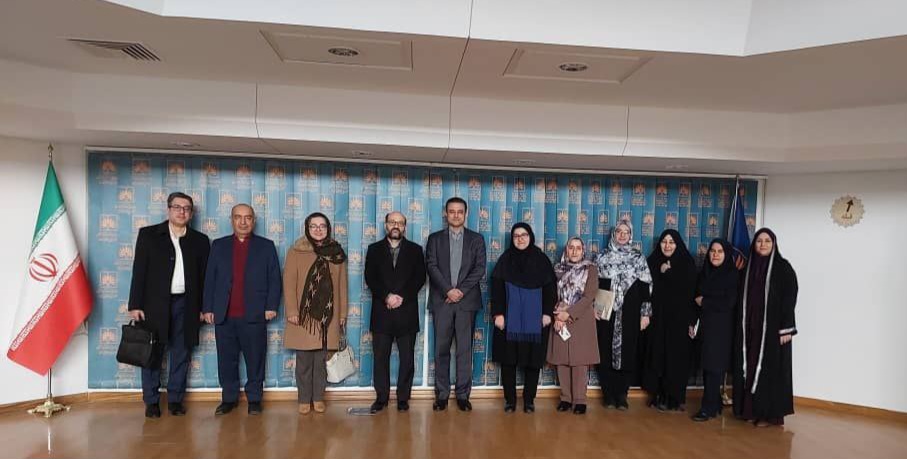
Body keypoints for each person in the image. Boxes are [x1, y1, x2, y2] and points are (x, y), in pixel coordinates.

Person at [129, 192, 210, 418]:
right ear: (168, 209)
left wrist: (204, 307)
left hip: (187, 304)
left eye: (186, 208)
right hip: (154, 305)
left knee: (181, 353)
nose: (182, 211)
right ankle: (151, 401)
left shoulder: (200, 240)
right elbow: (139, 271)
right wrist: (135, 304)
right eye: (177, 207)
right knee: (152, 353)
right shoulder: (148, 235)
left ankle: (175, 400)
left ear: (191, 213)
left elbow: (205, 278)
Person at [202, 204, 281, 416]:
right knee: (226, 360)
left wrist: (271, 306)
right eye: (238, 217)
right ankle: (229, 399)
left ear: (253, 221)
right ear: (232, 220)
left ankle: (254, 399)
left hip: (254, 314)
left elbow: (275, 279)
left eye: (248, 217)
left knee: (255, 360)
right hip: (224, 315)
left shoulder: (266, 246)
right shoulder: (219, 245)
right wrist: (208, 308)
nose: (243, 222)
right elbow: (210, 279)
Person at [425, 197, 487, 412]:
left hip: (466, 303)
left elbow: (480, 268)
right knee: (441, 350)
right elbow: (431, 266)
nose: (456, 215)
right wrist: (448, 290)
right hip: (442, 302)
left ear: (466, 214)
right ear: (446, 214)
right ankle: (442, 395)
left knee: (464, 350)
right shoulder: (434, 239)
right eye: (452, 211)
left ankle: (462, 395)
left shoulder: (476, 239)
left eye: (460, 211)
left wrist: (460, 291)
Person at [283, 212, 348, 415]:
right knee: (304, 361)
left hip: (328, 315)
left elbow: (342, 285)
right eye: (314, 226)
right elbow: (289, 282)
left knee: (321, 361)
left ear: (328, 229)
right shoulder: (296, 251)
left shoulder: (336, 252)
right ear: (307, 228)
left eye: (322, 226)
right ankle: (304, 398)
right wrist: (292, 311)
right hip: (304, 316)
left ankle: (318, 397)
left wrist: (342, 314)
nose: (318, 230)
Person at [733, 228, 799, 427]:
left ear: (774, 244)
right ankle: (749, 410)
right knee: (750, 367)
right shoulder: (748, 267)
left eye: (767, 241)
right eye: (759, 241)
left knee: (769, 371)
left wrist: (786, 328)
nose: (763, 244)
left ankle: (768, 415)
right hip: (750, 328)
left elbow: (789, 298)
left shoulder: (783, 268)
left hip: (772, 331)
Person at [490, 223, 556, 413]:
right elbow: (497, 289)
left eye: (524, 235)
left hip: (535, 320)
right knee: (508, 361)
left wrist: (547, 313)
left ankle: (529, 401)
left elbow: (550, 289)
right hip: (508, 320)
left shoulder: (542, 260)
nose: (520, 239)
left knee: (533, 362)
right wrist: (498, 314)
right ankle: (510, 401)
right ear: (512, 239)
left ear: (530, 236)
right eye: (516, 236)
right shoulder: (505, 260)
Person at [364, 211, 426, 413]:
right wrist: (387, 296)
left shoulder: (415, 250)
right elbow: (370, 277)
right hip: (382, 312)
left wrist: (401, 297)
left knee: (407, 358)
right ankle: (381, 397)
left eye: (400, 222)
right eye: (392, 222)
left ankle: (403, 398)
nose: (396, 225)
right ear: (386, 225)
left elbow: (419, 278)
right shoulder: (374, 249)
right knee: (380, 357)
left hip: (406, 311)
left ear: (405, 227)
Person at [594, 220, 653, 410]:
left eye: (626, 232)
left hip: (630, 313)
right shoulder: (601, 257)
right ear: (613, 234)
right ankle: (608, 394)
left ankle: (621, 394)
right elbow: (592, 285)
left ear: (630, 235)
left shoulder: (638, 258)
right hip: (606, 312)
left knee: (628, 351)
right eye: (619, 231)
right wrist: (594, 308)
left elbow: (646, 289)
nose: (622, 235)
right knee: (605, 350)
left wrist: (645, 314)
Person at [641, 229, 697, 412]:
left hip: (679, 321)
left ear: (678, 244)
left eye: (671, 242)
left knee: (676, 358)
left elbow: (689, 293)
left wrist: (668, 273)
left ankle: (674, 397)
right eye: (664, 242)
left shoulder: (687, 264)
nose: (667, 245)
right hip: (657, 320)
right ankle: (658, 395)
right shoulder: (652, 262)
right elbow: (646, 290)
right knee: (657, 355)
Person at [547, 237, 599, 415]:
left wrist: (568, 314)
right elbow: (553, 295)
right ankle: (566, 399)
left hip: (581, 319)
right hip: (560, 318)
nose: (574, 251)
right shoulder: (557, 269)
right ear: (566, 250)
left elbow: (589, 296)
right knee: (562, 360)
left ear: (583, 251)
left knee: (579, 361)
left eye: (578, 248)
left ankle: (579, 400)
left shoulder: (590, 269)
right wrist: (558, 315)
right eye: (571, 247)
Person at [691, 239, 739, 421]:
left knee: (714, 368)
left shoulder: (732, 275)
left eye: (720, 251)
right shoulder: (704, 273)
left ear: (726, 254)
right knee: (707, 367)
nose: (716, 255)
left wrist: (705, 301)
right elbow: (695, 299)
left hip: (721, 329)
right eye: (713, 251)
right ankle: (714, 402)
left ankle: (708, 408)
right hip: (705, 327)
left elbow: (729, 302)